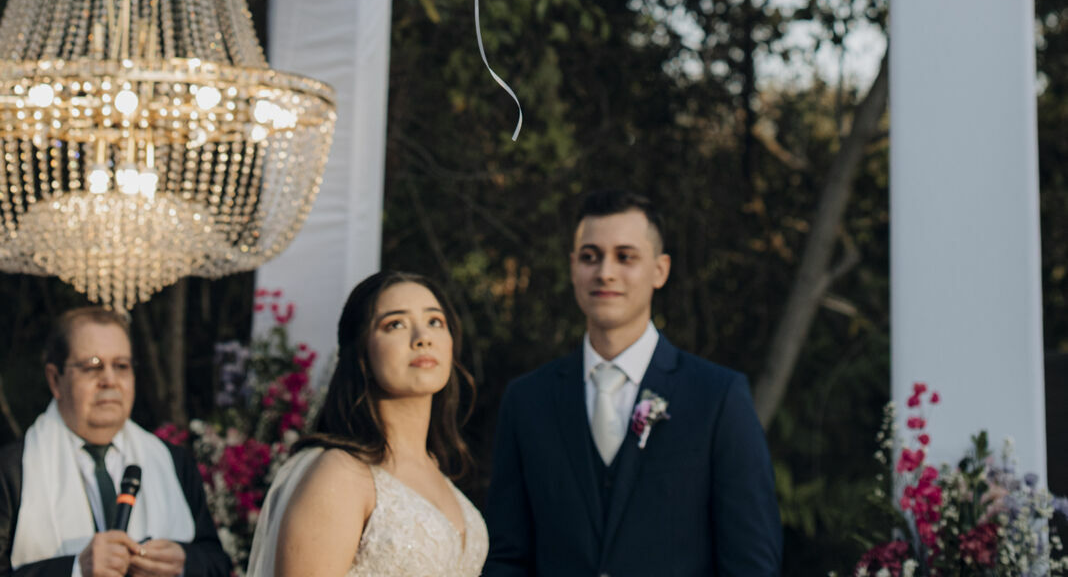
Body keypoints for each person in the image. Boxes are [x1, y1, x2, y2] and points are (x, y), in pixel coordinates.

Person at [484, 188, 783, 577]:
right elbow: (507, 555)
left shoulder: (718, 397)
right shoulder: (528, 400)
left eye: (625, 257)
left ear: (660, 270)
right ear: (574, 267)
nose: (605, 272)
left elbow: (751, 565)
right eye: (590, 257)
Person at [247, 270, 487, 577]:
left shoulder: (437, 468)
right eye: (396, 324)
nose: (423, 338)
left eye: (435, 322)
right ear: (362, 350)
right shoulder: (340, 474)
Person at [0, 306, 228, 577]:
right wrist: (74, 569)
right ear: (55, 379)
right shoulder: (12, 470)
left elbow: (217, 563)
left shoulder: (173, 461)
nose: (109, 380)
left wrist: (185, 562)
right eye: (92, 366)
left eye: (121, 366)